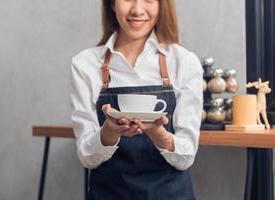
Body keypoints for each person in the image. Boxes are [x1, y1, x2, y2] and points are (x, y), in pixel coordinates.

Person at [70, 0, 203, 199]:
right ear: (112, 4)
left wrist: (160, 134)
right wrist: (108, 133)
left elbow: (186, 156)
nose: (137, 9)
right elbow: (86, 157)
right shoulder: (85, 65)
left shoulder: (184, 62)